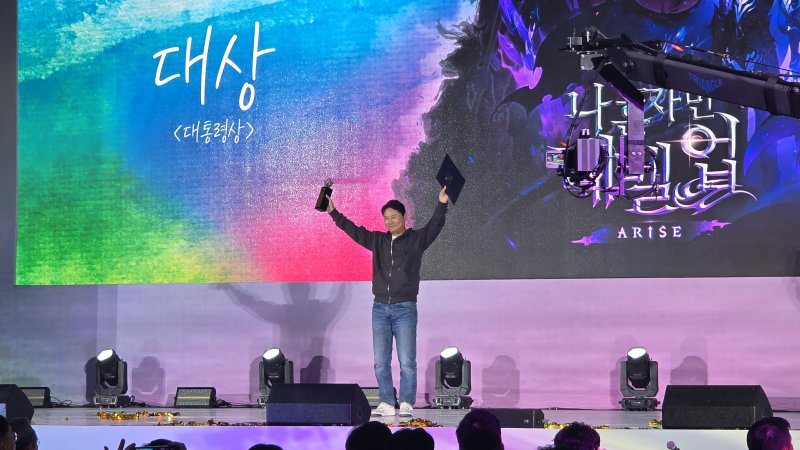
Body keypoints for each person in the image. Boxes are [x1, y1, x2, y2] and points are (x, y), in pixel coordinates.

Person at [327, 186, 449, 417]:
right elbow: (353, 231)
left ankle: (406, 402)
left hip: (405, 308)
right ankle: (386, 401)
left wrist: (442, 203)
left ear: (404, 217)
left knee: (407, 361)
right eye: (386, 218)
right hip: (380, 308)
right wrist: (334, 212)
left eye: (394, 216)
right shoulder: (377, 240)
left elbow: (435, 225)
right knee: (381, 362)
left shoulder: (416, 240)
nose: (390, 221)